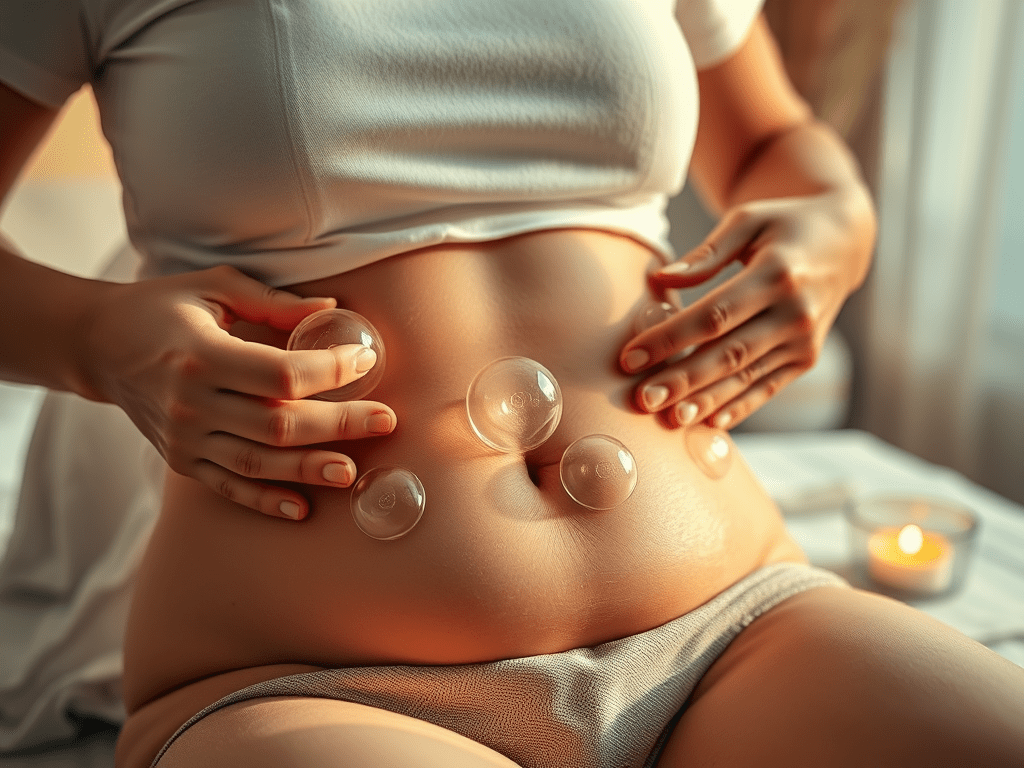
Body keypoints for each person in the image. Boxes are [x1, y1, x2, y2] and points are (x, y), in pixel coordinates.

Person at [1, 2, 1022, 767]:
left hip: (732, 623)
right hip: (308, 684)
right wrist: (96, 336)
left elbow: (773, 144)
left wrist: (835, 225)